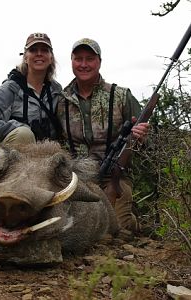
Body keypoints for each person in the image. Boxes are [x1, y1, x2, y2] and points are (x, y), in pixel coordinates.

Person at [57, 38, 149, 235]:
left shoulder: (121, 96)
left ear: (99, 61)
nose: (84, 64)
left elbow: (147, 144)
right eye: (78, 59)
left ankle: (139, 223)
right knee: (67, 227)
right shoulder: (59, 100)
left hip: (114, 177)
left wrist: (142, 137)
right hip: (76, 180)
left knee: (117, 229)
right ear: (71, 61)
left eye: (89, 59)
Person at [0, 33, 62, 152]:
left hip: (43, 158)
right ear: (25, 57)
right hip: (8, 158)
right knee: (24, 135)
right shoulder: (9, 89)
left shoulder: (56, 91)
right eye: (33, 50)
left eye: (44, 50)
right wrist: (22, 128)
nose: (39, 54)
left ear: (51, 58)